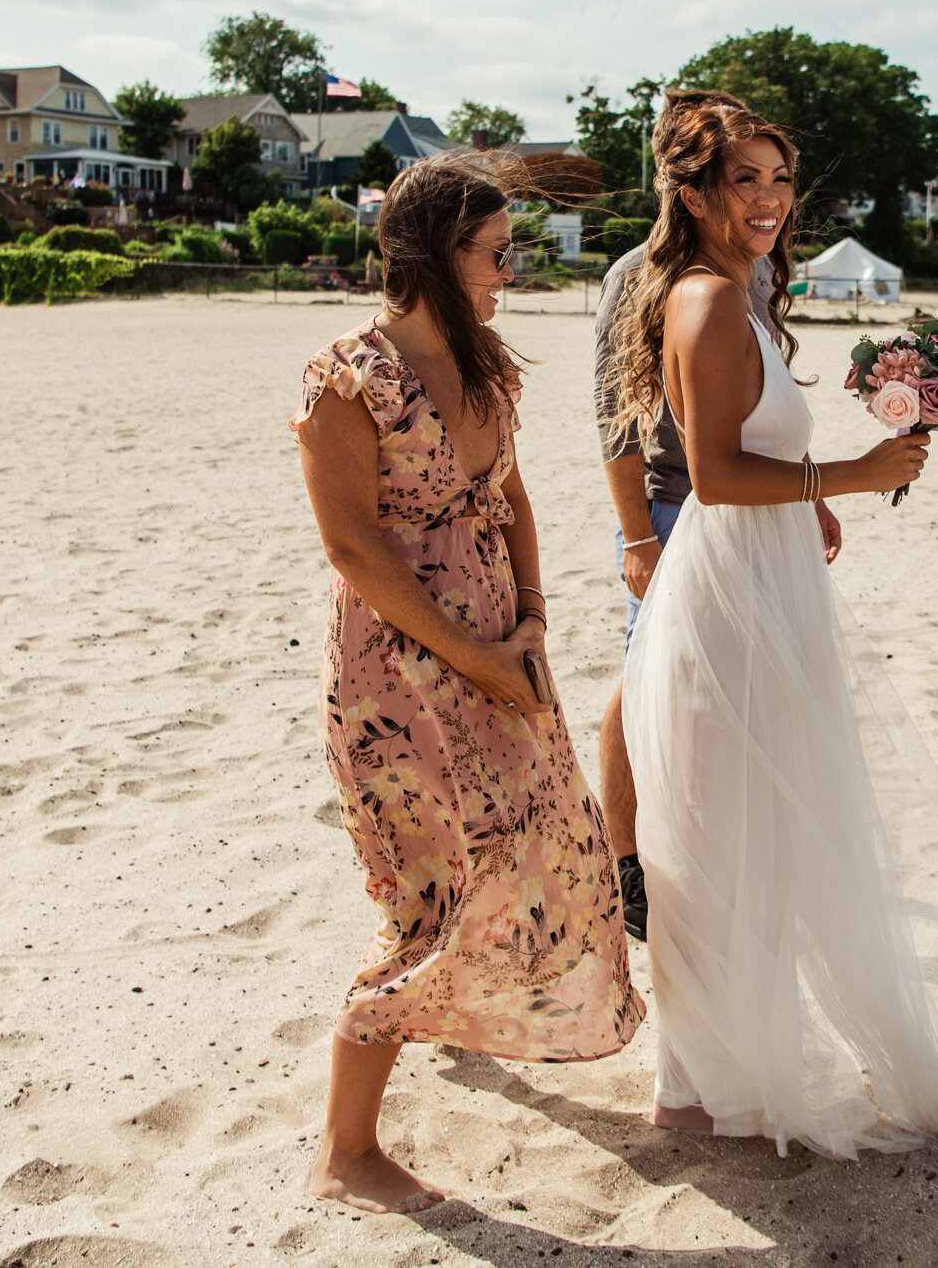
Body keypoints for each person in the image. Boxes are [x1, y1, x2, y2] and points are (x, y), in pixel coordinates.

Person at [608, 88, 938, 1157]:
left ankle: (712, 1070)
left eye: (779, 178)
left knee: (753, 823)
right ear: (693, 188)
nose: (766, 198)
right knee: (719, 828)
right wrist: (846, 475)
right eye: (742, 179)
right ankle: (691, 1082)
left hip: (767, 572)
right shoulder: (706, 301)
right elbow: (710, 473)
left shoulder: (744, 291)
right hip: (729, 580)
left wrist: (810, 503)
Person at [292, 154, 642, 1215]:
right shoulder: (346, 376)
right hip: (398, 666)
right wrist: (477, 654)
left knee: (552, 839)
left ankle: (445, 1023)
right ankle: (346, 1152)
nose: (509, 272)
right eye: (494, 254)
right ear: (435, 255)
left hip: (499, 639)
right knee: (433, 889)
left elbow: (515, 498)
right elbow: (356, 548)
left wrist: (530, 617)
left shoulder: (488, 364)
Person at [590, 244, 820, 941]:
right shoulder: (635, 274)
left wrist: (805, 485)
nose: (764, 195)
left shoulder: (756, 267)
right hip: (672, 505)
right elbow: (614, 415)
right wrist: (636, 535)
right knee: (646, 680)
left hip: (757, 511)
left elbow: (761, 397)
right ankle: (623, 856)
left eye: (778, 177)